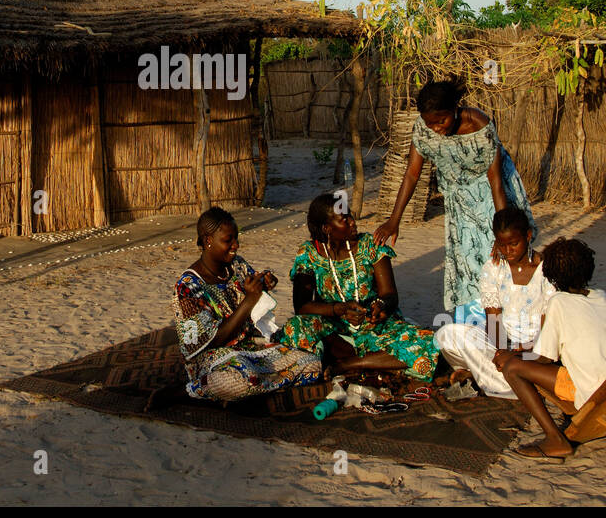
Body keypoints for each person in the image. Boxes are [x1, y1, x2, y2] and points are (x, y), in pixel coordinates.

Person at [373, 77, 536, 325]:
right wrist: (394, 221)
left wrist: (501, 233)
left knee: (499, 257)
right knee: (466, 266)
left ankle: (512, 332)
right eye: (431, 123)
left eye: (442, 120)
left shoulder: (479, 125)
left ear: (455, 109)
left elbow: (495, 181)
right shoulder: (423, 128)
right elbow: (411, 174)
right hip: (459, 203)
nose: (437, 127)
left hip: (493, 200)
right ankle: (474, 328)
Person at [277, 193, 439, 380]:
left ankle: (350, 363)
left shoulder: (371, 246)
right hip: (334, 328)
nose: (353, 222)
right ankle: (378, 361)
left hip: (374, 326)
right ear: (327, 228)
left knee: (431, 343)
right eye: (344, 220)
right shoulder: (309, 254)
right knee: (295, 328)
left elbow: (390, 294)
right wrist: (339, 310)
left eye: (351, 216)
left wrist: (381, 305)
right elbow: (302, 306)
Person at [174, 207, 323, 401]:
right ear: (208, 241)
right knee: (238, 380)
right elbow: (205, 345)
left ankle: (258, 387)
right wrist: (250, 299)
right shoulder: (188, 287)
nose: (236, 245)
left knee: (312, 363)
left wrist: (266, 282)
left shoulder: (236, 265)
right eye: (228, 240)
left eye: (236, 238)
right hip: (214, 360)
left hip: (251, 348)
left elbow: (254, 284)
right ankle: (190, 390)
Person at [500, 237, 606, 460]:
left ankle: (555, 439)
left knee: (511, 368)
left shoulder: (558, 302)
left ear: (550, 276)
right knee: (521, 360)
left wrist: (513, 356)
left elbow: (544, 359)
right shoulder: (600, 297)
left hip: (592, 393)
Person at [434, 207, 554, 398]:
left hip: (538, 352)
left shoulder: (546, 270)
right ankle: (508, 380)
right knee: (445, 334)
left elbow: (550, 327)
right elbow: (494, 319)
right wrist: (502, 354)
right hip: (504, 345)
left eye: (514, 244)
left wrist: (523, 353)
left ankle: (503, 381)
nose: (508, 251)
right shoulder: (494, 268)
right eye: (502, 245)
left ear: (528, 236)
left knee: (516, 367)